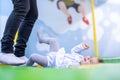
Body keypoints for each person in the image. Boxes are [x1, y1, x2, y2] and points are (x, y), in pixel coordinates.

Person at [26, 30, 103, 68]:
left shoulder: (76, 67)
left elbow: (68, 67)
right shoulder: (80, 58)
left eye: (91, 61)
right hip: (56, 53)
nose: (89, 58)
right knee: (54, 40)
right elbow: (74, 51)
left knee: (33, 57)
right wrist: (82, 47)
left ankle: (26, 68)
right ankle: (41, 39)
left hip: (51, 61)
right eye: (91, 58)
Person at [0, 0, 38, 65]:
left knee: (32, 14)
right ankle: (6, 50)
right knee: (21, 7)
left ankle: (19, 53)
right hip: (6, 50)